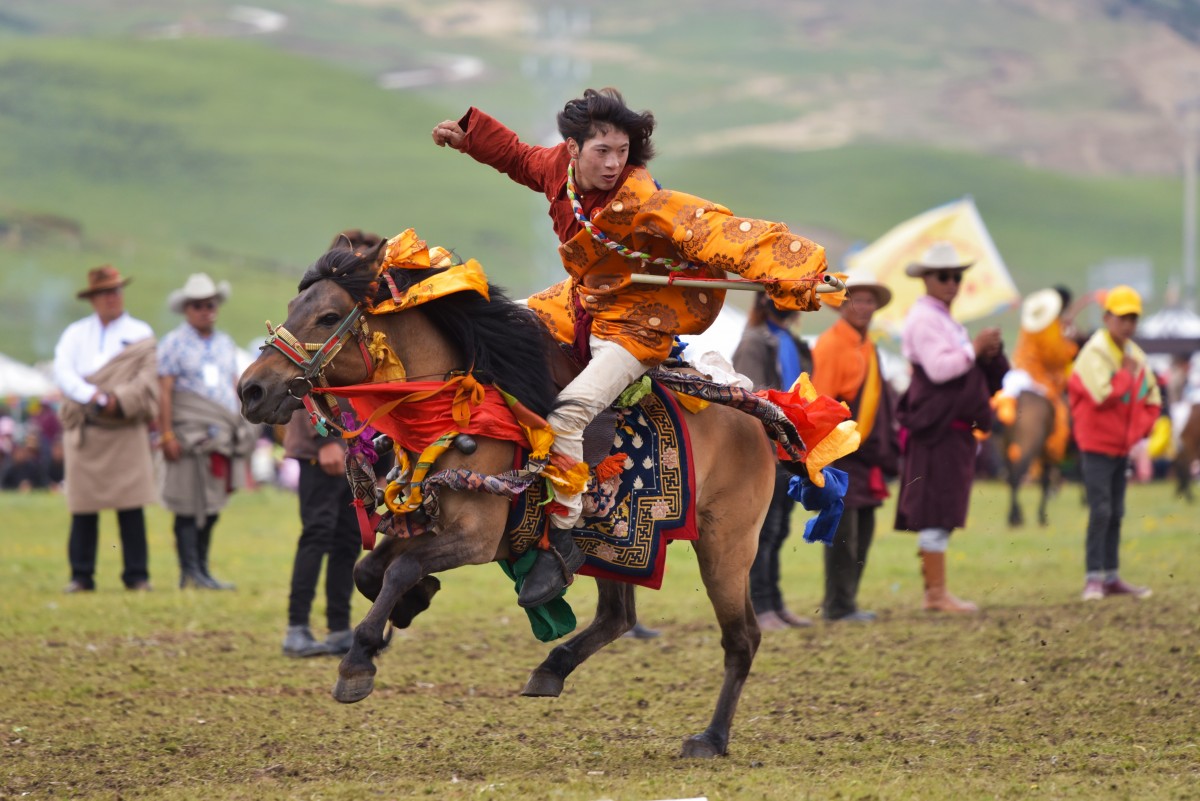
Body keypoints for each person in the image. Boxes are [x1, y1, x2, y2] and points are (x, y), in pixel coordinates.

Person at [433, 87, 836, 608]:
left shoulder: (644, 199)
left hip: (637, 326)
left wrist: (799, 268)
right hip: (579, 303)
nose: (613, 162)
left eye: (622, 152)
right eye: (602, 151)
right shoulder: (558, 167)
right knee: (497, 335)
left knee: (569, 417)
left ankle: (563, 537)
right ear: (573, 148)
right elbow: (517, 157)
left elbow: (715, 231)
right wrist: (471, 139)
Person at [893, 242, 1008, 613]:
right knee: (935, 506)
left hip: (950, 428)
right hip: (937, 429)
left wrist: (984, 353)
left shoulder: (943, 318)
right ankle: (936, 593)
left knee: (942, 505)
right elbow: (941, 369)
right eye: (944, 277)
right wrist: (975, 349)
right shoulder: (924, 318)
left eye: (956, 277)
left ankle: (936, 591)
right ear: (926, 278)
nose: (952, 283)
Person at [53, 265, 158, 593]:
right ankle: (81, 575)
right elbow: (64, 372)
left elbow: (146, 380)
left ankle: (137, 575)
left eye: (115, 290)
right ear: (93, 298)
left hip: (125, 425)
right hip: (87, 425)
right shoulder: (74, 335)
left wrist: (117, 399)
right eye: (104, 292)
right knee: (83, 506)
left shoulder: (141, 334)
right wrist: (93, 396)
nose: (111, 297)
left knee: (131, 504)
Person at [159, 273, 256, 590]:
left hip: (221, 432)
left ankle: (200, 567)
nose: (206, 310)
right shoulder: (173, 344)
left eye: (210, 304)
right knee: (188, 504)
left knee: (213, 504)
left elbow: (232, 384)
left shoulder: (225, 343)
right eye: (199, 305)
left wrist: (241, 420)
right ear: (187, 309)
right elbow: (165, 391)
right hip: (189, 432)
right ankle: (190, 571)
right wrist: (166, 434)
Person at [811, 274, 899, 622]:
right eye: (855, 300)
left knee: (863, 531)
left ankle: (849, 601)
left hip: (865, 452)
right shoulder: (831, 344)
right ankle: (837, 605)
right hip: (841, 451)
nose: (863, 307)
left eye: (868, 301)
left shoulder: (868, 345)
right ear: (842, 305)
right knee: (843, 532)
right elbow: (821, 403)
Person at [1067, 285, 1161, 601]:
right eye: (1122, 317)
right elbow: (1102, 395)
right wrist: (1125, 375)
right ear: (1107, 318)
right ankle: (1093, 578)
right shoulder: (1095, 353)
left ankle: (1111, 576)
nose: (1128, 325)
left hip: (1122, 446)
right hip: (1096, 445)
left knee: (1116, 511)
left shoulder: (1135, 356)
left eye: (1133, 318)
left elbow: (1153, 399)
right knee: (1101, 510)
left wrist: (1137, 431)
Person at [732, 294, 814, 630]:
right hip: (768, 448)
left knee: (778, 530)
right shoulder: (754, 343)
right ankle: (760, 606)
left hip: (790, 448)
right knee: (765, 532)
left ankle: (774, 603)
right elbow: (753, 399)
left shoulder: (790, 342)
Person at [281, 408, 361, 657]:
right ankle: (297, 628)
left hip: (360, 450)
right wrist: (325, 439)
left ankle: (339, 629)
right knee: (317, 534)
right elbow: (307, 386)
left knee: (349, 539)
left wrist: (383, 465)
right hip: (322, 451)